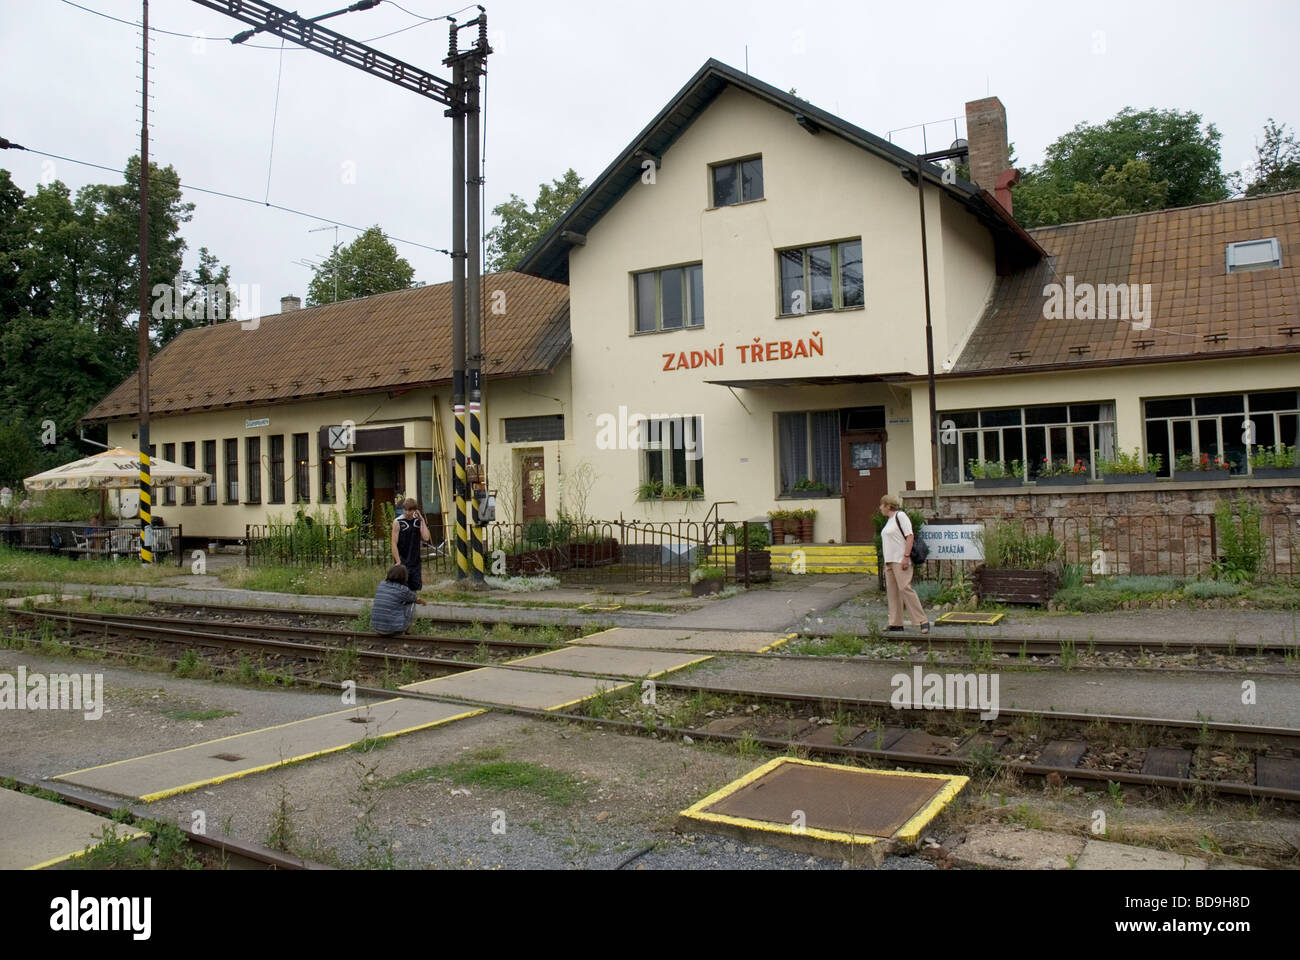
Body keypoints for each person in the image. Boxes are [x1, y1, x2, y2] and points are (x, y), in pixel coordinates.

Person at [879, 494, 929, 634]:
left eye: (882, 505)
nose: (880, 508)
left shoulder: (900, 516)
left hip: (900, 559)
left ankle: (922, 620)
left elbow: (910, 536)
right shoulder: (889, 521)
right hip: (889, 561)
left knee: (905, 588)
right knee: (893, 592)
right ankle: (895, 622)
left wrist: (906, 557)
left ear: (888, 506)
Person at [370, 564, 427, 635]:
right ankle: (407, 631)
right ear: (404, 577)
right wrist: (425, 603)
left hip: (376, 627)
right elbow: (417, 599)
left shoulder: (381, 584)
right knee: (412, 602)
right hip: (394, 630)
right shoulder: (403, 590)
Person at [391, 497, 432, 591]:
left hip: (415, 562)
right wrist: (398, 562)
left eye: (409, 510)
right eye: (405, 510)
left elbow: (426, 537)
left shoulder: (417, 521)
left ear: (415, 510)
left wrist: (422, 520)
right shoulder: (398, 522)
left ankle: (411, 606)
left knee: (414, 589)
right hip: (402, 561)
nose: (407, 512)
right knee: (401, 589)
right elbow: (393, 543)